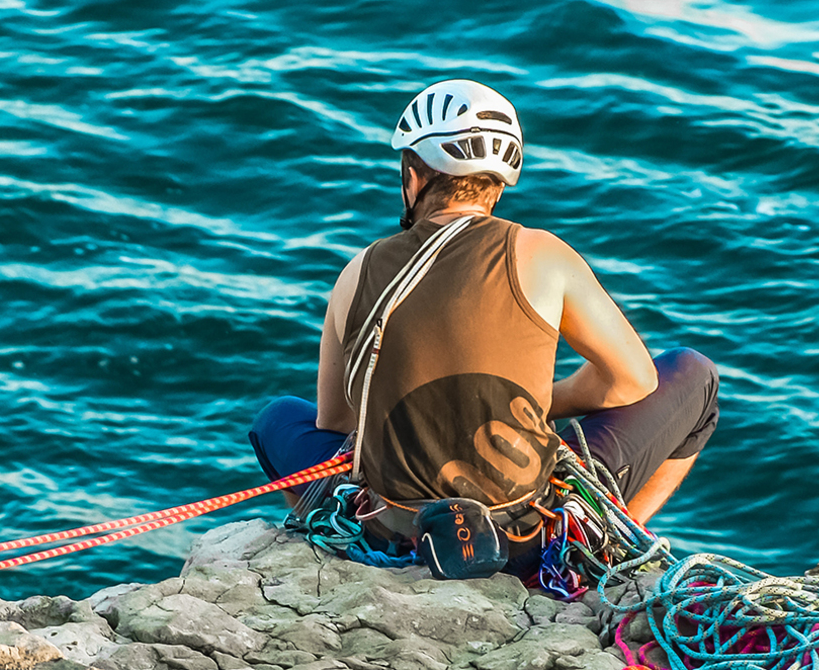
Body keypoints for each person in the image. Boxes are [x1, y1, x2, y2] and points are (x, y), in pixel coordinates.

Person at [249, 79, 718, 569]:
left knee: (276, 419)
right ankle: (614, 551)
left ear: (414, 174)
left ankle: (340, 545)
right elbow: (632, 380)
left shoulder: (358, 271)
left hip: (395, 531)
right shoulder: (543, 254)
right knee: (694, 374)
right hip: (527, 540)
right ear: (500, 180)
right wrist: (535, 404)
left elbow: (337, 420)